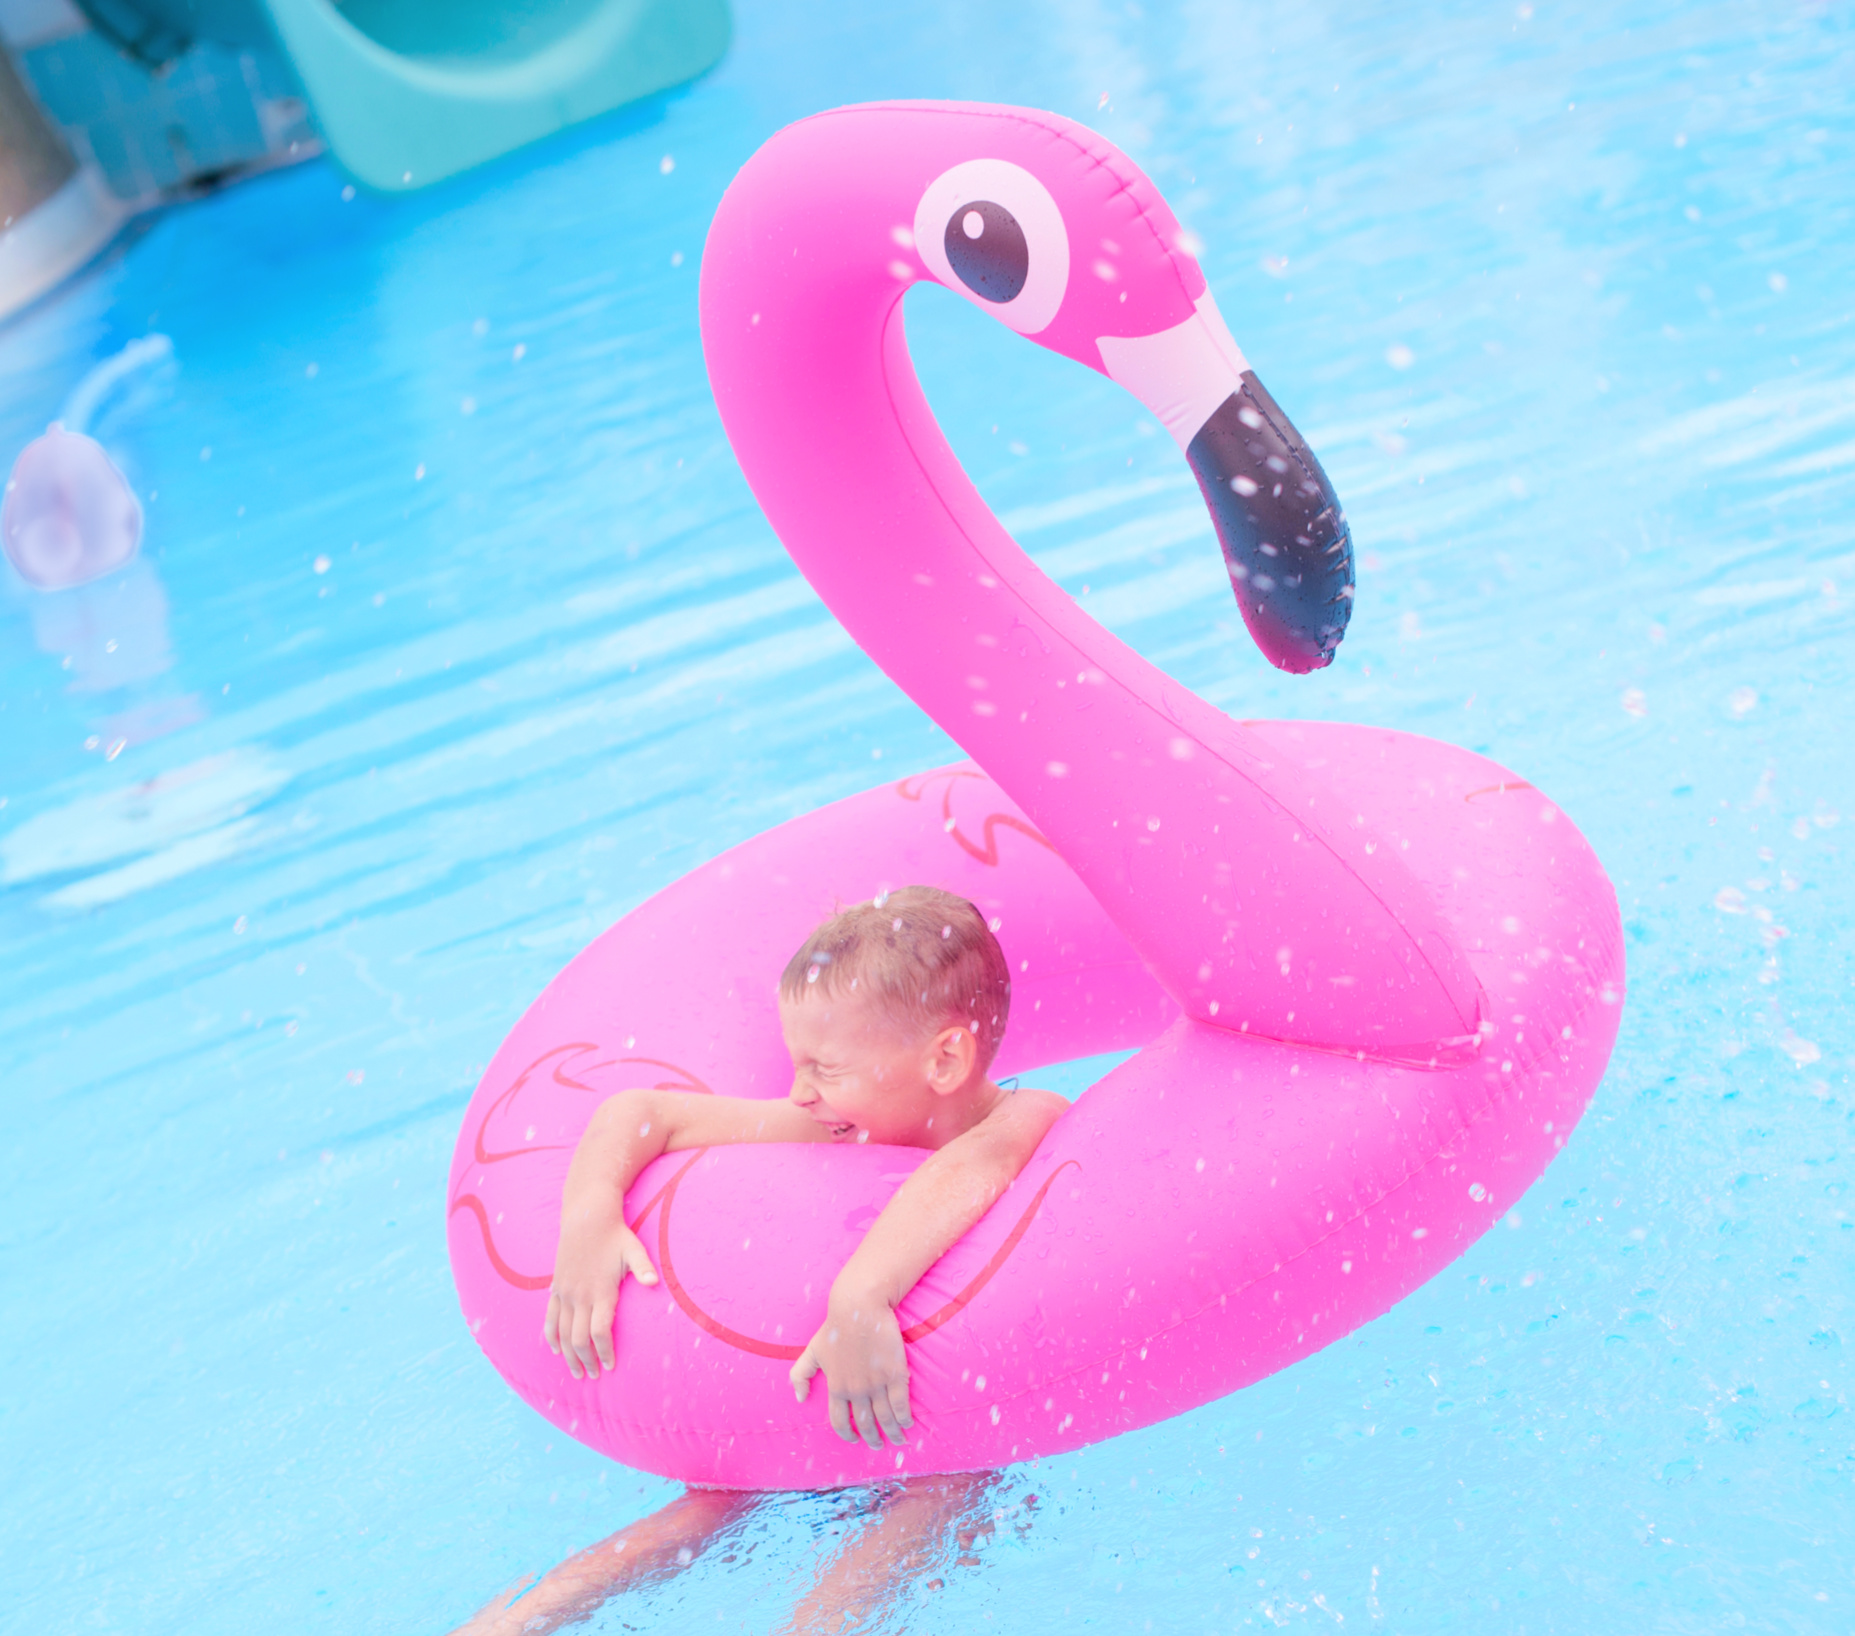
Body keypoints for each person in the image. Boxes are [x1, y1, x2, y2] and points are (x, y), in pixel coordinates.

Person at [451, 886, 1068, 1634]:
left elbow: (966, 1171)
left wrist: (861, 1297)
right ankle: (514, 1622)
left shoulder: (1029, 1116)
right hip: (800, 1407)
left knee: (949, 1486)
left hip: (930, 1416)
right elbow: (643, 1113)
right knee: (713, 1499)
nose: (797, 1092)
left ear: (944, 1058)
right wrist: (589, 1217)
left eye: (824, 1068)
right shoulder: (838, 1126)